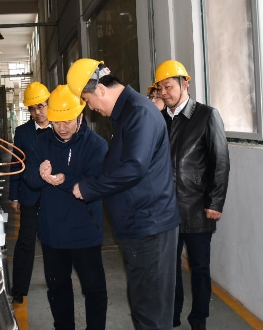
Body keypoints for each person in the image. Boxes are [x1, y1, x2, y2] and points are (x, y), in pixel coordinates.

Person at [67, 58, 181, 330]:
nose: (91, 108)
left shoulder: (139, 114)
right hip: (139, 226)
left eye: (88, 100)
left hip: (149, 227)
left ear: (101, 90)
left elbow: (134, 167)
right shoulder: (127, 114)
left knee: (151, 310)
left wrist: (89, 188)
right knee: (143, 304)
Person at [24, 85, 108, 330]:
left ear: (80, 115)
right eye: (57, 121)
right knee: (58, 288)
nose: (62, 128)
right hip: (52, 234)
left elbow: (96, 183)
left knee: (93, 289)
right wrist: (40, 174)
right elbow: (29, 179)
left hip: (85, 232)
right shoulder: (42, 142)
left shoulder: (96, 145)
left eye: (68, 121)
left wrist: (64, 179)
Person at [154, 60, 230, 330]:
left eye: (169, 86)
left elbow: (220, 161)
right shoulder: (159, 119)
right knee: (169, 267)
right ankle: (172, 316)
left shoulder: (207, 116)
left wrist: (215, 202)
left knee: (199, 268)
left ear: (185, 84)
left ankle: (198, 319)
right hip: (166, 208)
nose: (164, 93)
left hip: (197, 207)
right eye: (160, 88)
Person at [9, 81, 52, 304]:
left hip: (55, 195)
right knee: (26, 242)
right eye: (32, 109)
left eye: (41, 106)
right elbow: (16, 164)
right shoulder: (22, 132)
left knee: (54, 241)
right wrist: (14, 196)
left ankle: (55, 281)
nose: (37, 113)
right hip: (29, 195)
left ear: (49, 104)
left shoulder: (61, 126)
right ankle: (19, 289)